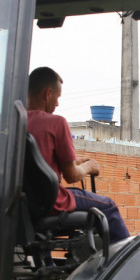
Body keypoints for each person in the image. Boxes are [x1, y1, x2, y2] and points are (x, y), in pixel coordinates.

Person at [26, 67, 130, 243]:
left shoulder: (9, 122)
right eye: (57, 98)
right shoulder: (56, 123)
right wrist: (89, 166)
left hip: (23, 203)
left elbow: (36, 163)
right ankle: (127, 262)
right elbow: (72, 175)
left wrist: (75, 161)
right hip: (52, 201)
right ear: (47, 93)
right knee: (109, 206)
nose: (57, 104)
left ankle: (48, 264)